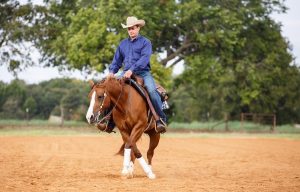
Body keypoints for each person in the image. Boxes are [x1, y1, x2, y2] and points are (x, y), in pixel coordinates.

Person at [107, 16, 167, 133]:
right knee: (109, 89)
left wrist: (132, 70)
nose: (131, 31)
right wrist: (112, 72)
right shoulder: (123, 44)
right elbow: (117, 61)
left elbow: (144, 59)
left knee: (152, 91)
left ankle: (160, 119)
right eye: (129, 29)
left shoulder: (146, 42)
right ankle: (109, 120)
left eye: (133, 28)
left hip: (143, 73)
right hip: (125, 73)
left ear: (138, 28)